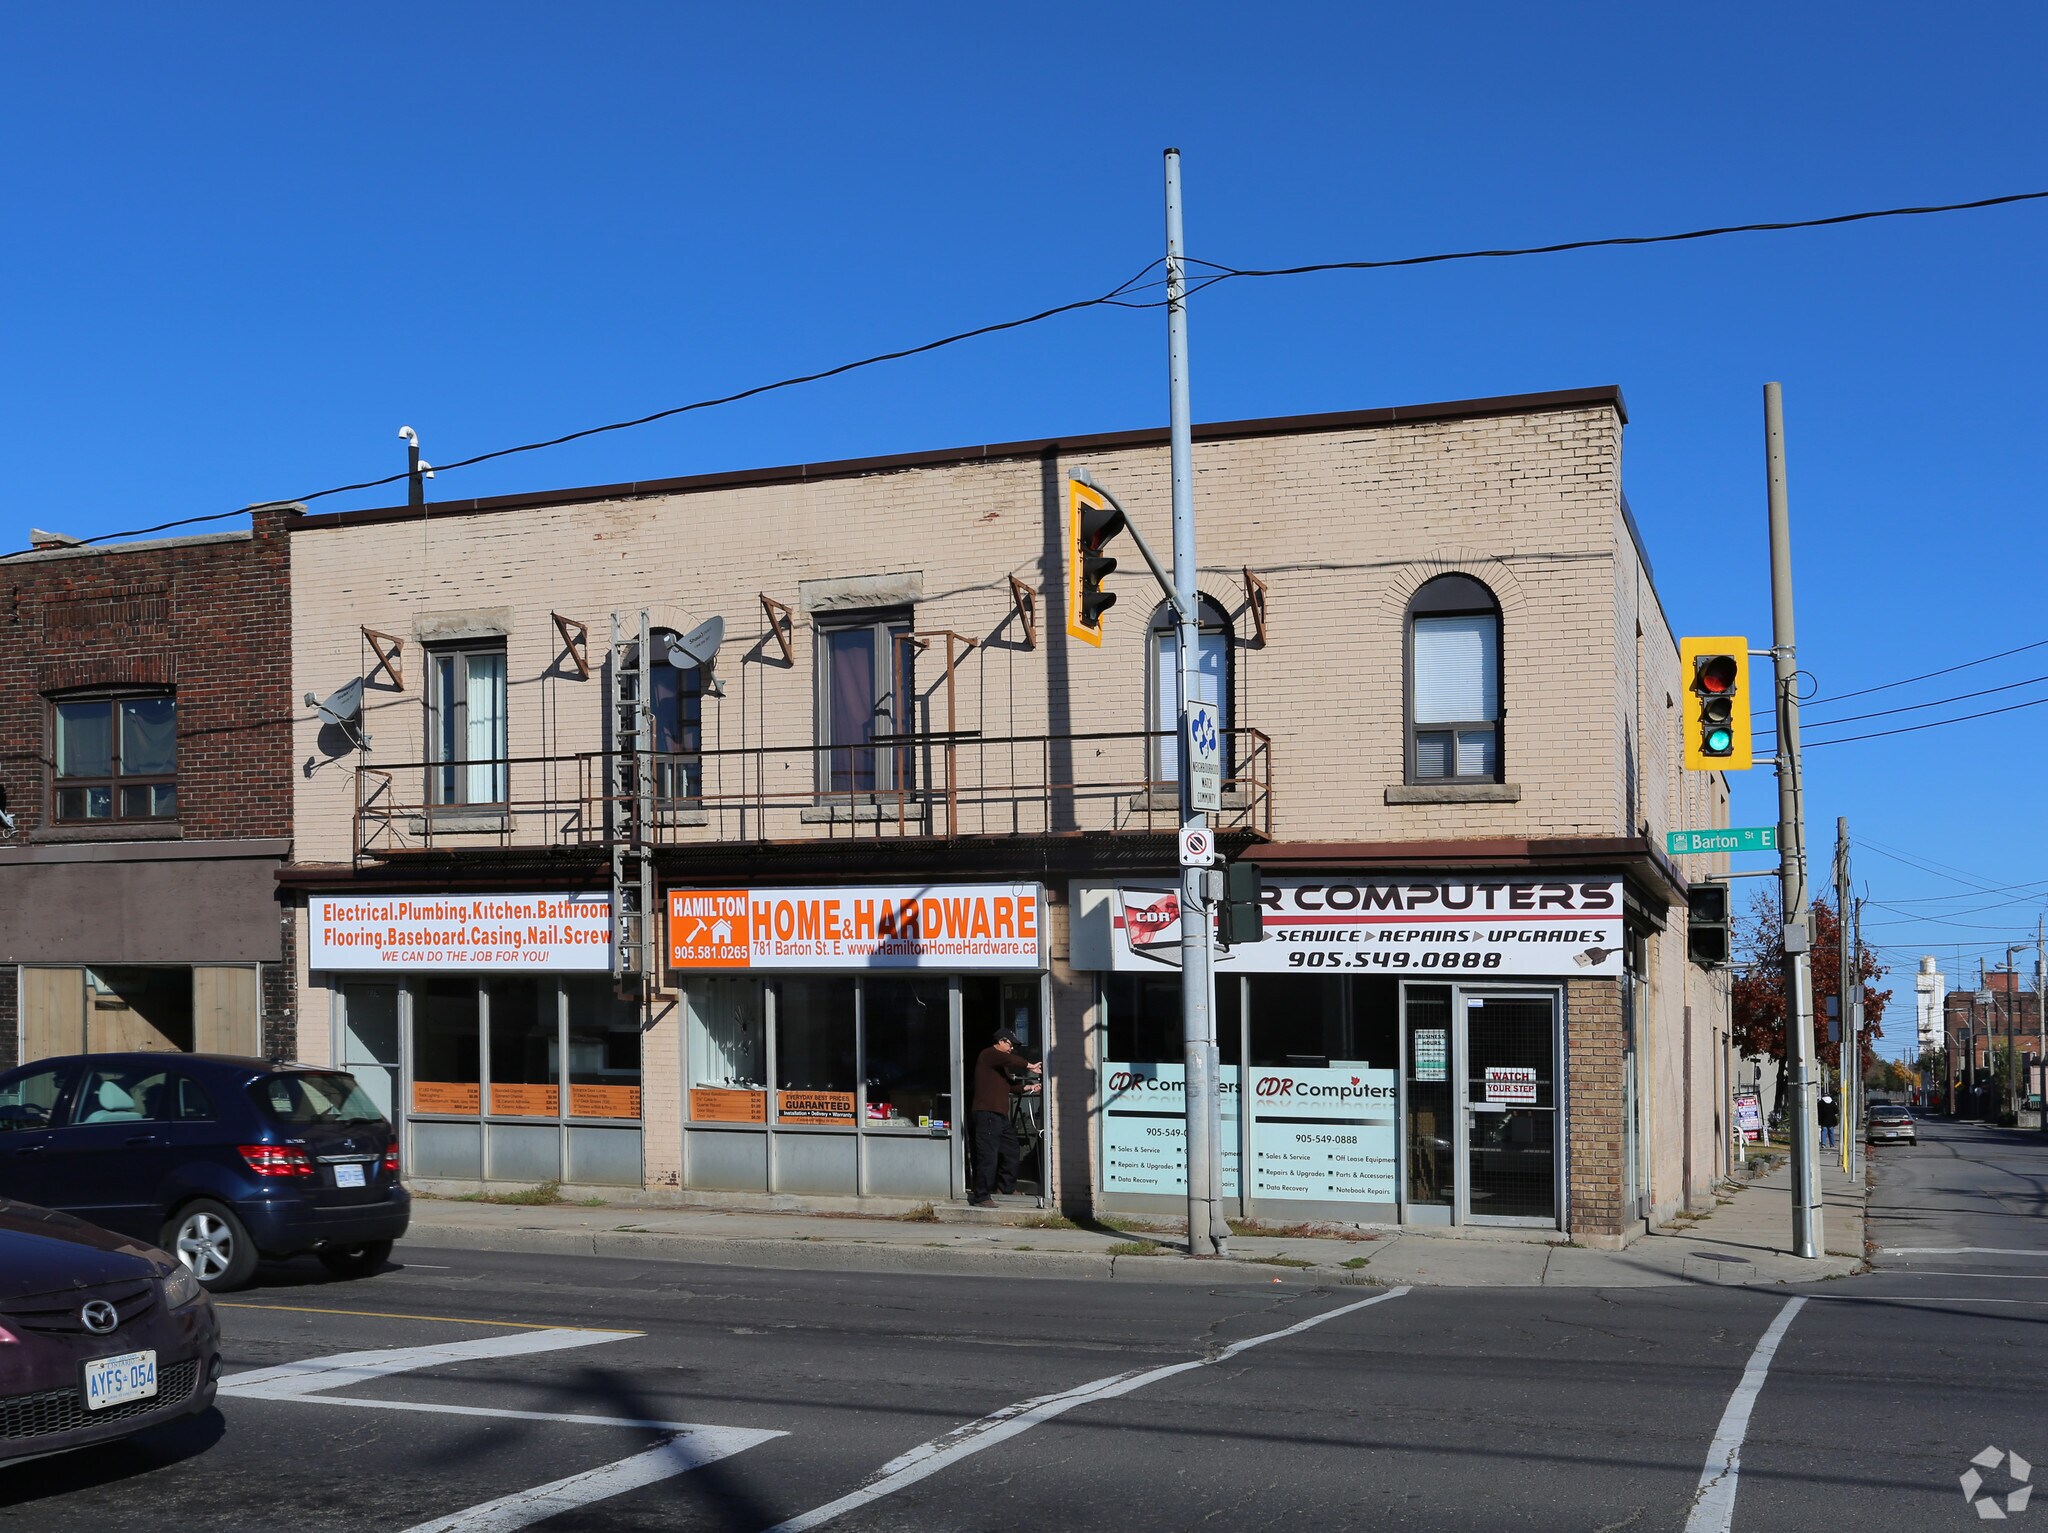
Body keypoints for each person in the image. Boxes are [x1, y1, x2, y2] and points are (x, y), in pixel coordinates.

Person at [969, 1029, 1041, 1207]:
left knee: (1011, 1150)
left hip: (1000, 1117)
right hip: (987, 1114)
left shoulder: (1001, 1065)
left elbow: (1010, 1087)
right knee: (988, 1156)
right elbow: (1011, 1059)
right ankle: (981, 1196)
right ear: (1001, 1041)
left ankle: (1006, 1187)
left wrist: (1029, 1088)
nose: (1011, 1049)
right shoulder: (989, 1054)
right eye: (1010, 1044)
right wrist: (1030, 1066)